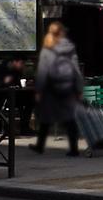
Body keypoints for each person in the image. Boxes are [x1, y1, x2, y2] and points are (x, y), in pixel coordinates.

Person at [33, 20, 85, 155]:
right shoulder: (70, 47)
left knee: (45, 118)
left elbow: (43, 71)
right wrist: (79, 89)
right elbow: (76, 70)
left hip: (51, 88)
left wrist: (39, 90)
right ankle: (74, 149)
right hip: (68, 87)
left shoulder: (47, 48)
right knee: (70, 119)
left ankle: (40, 145)